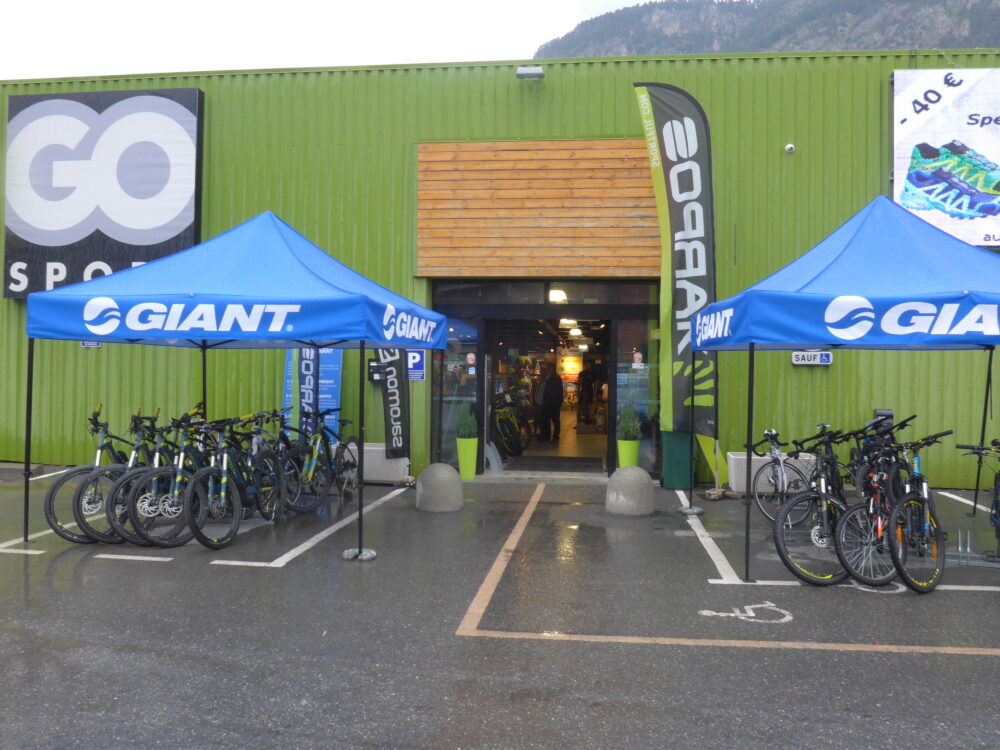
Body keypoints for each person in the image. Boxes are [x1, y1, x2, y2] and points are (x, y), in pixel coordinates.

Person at [539, 362, 564, 442]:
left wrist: (556, 402)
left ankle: (555, 436)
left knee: (555, 420)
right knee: (547, 420)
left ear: (552, 368)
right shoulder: (548, 377)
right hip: (548, 402)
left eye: (549, 368)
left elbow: (557, 392)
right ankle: (547, 436)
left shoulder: (555, 378)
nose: (547, 370)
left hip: (554, 403)